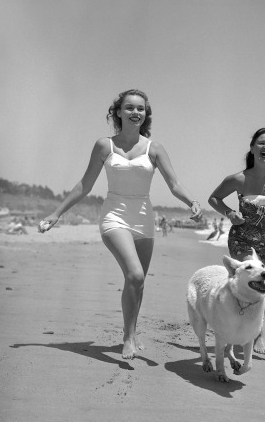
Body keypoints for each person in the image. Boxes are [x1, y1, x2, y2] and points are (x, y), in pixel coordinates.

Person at [38, 89, 202, 360]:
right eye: (129, 108)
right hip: (114, 216)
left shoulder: (155, 148)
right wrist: (57, 213)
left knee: (137, 282)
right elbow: (84, 184)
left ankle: (132, 332)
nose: (135, 112)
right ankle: (127, 337)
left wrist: (191, 202)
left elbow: (174, 184)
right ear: (117, 112)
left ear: (146, 114)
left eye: (140, 108)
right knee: (135, 274)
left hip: (144, 218)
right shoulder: (104, 146)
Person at [208, 127, 265, 354]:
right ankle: (236, 331)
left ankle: (253, 333)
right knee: (253, 283)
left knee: (262, 289)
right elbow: (214, 198)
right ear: (252, 148)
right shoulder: (238, 178)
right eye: (261, 143)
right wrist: (229, 213)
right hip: (242, 238)